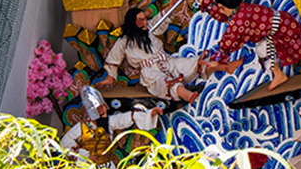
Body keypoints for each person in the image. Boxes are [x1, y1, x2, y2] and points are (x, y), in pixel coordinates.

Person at [100, 6, 240, 103]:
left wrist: (171, 6)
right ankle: (187, 95)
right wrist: (110, 77)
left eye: (144, 19)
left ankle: (223, 67)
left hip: (167, 61)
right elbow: (114, 59)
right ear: (133, 22)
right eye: (140, 20)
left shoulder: (150, 30)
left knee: (191, 63)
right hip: (151, 72)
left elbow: (160, 20)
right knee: (165, 81)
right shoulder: (124, 41)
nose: (144, 22)